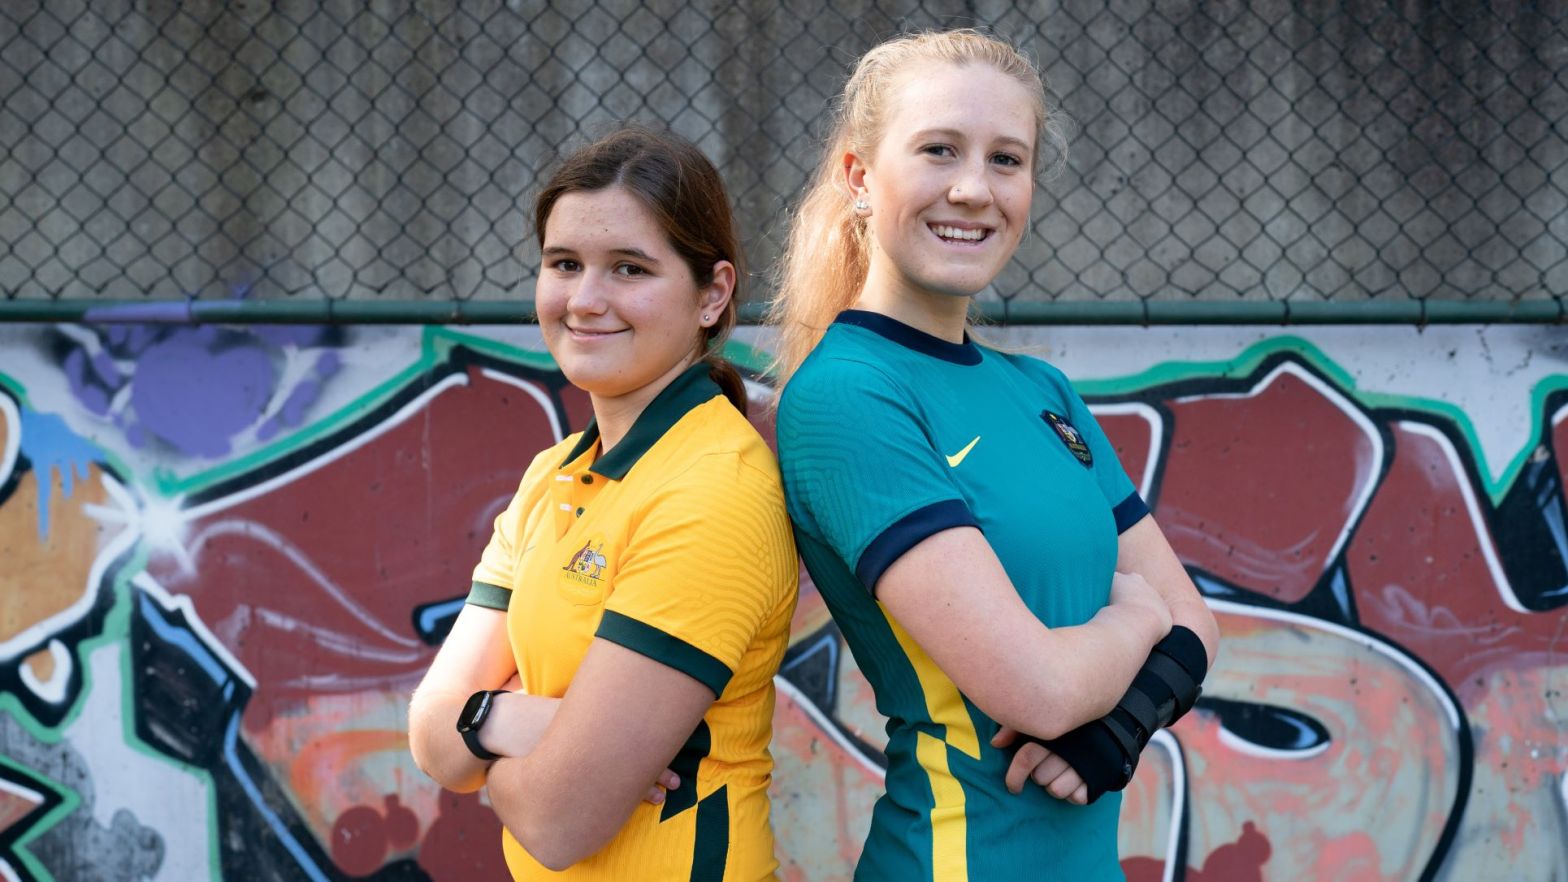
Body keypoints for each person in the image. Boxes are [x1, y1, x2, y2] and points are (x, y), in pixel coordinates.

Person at [769, 30, 1220, 880]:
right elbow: (1038, 690)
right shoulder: (847, 395)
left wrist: (1119, 727)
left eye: (1006, 160)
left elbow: (1195, 621)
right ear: (860, 178)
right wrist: (1135, 623)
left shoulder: (1043, 391)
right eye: (939, 150)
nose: (974, 189)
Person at [409, 126, 798, 881]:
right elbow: (431, 736)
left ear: (712, 294)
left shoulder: (712, 489)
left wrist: (486, 736)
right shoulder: (551, 474)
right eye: (564, 264)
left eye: (629, 268)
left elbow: (560, 821)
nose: (585, 301)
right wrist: (508, 717)